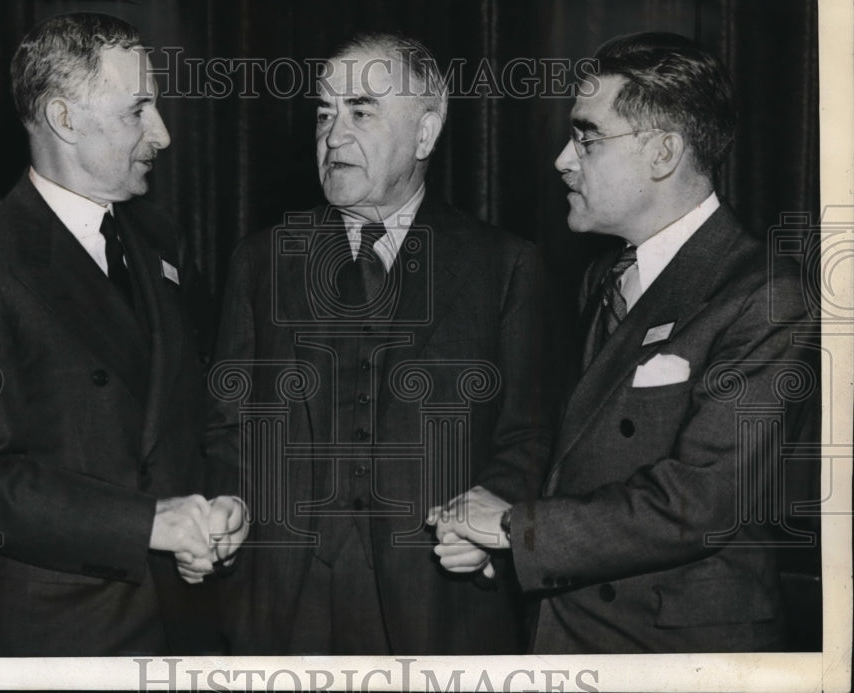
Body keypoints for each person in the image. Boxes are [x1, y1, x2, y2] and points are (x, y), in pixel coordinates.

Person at [430, 32, 818, 653]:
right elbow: (582, 462)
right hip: (575, 629)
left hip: (675, 651)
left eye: (586, 136)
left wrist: (511, 527)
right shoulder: (603, 276)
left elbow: (700, 503)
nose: (562, 158)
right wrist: (497, 540)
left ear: (663, 152)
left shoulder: (766, 296)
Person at [204, 33, 559, 654]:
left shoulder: (505, 266)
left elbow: (526, 435)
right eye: (323, 113)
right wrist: (231, 504)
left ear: (425, 134)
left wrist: (487, 522)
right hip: (281, 608)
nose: (333, 136)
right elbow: (227, 425)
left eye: (360, 111)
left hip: (437, 606)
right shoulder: (259, 261)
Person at [0, 13, 246, 656]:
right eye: (139, 110)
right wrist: (148, 522)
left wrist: (224, 503)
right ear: (64, 119)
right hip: (58, 636)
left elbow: (201, 407)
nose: (162, 133)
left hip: (181, 619)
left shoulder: (160, 241)